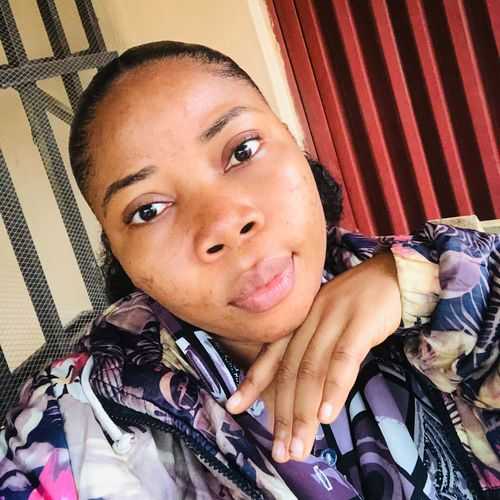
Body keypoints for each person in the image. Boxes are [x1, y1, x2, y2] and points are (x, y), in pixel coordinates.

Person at [0, 41, 498, 500]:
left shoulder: (447, 272)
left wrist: (434, 291)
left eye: (242, 151)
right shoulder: (74, 426)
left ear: (294, 143)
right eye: (148, 210)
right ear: (122, 258)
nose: (223, 224)